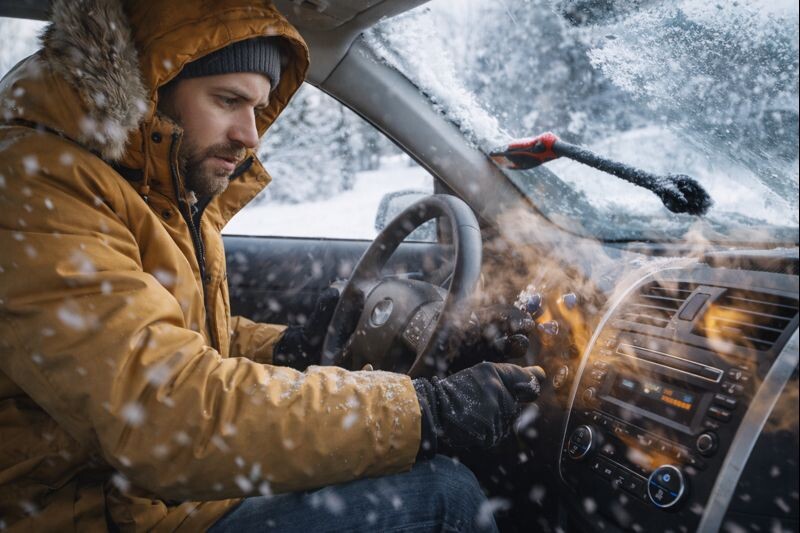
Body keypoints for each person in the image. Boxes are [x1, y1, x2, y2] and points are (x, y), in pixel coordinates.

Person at [0, 0, 544, 531]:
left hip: (152, 497)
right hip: (99, 510)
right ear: (149, 90)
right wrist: (424, 413)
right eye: (228, 100)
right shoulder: (37, 187)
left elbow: (172, 339)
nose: (250, 134)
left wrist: (290, 348)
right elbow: (162, 411)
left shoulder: (156, 190)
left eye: (257, 108)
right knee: (445, 496)